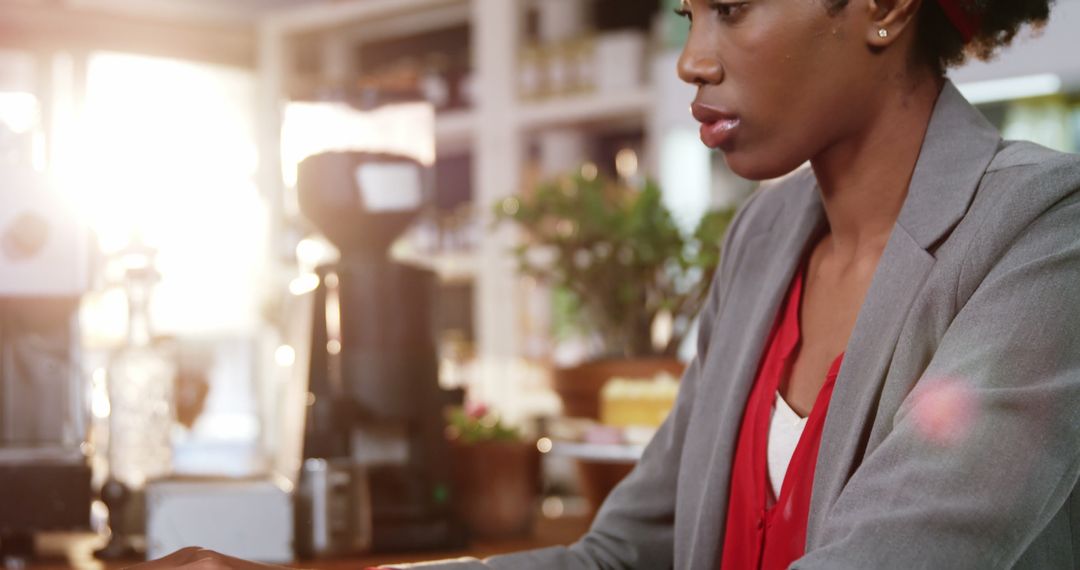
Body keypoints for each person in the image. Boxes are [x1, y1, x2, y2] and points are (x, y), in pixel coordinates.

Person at [138, 0, 1079, 567]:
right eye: (689, 12)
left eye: (735, 8)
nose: (692, 58)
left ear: (882, 7)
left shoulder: (1041, 234)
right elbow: (626, 555)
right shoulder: (764, 242)